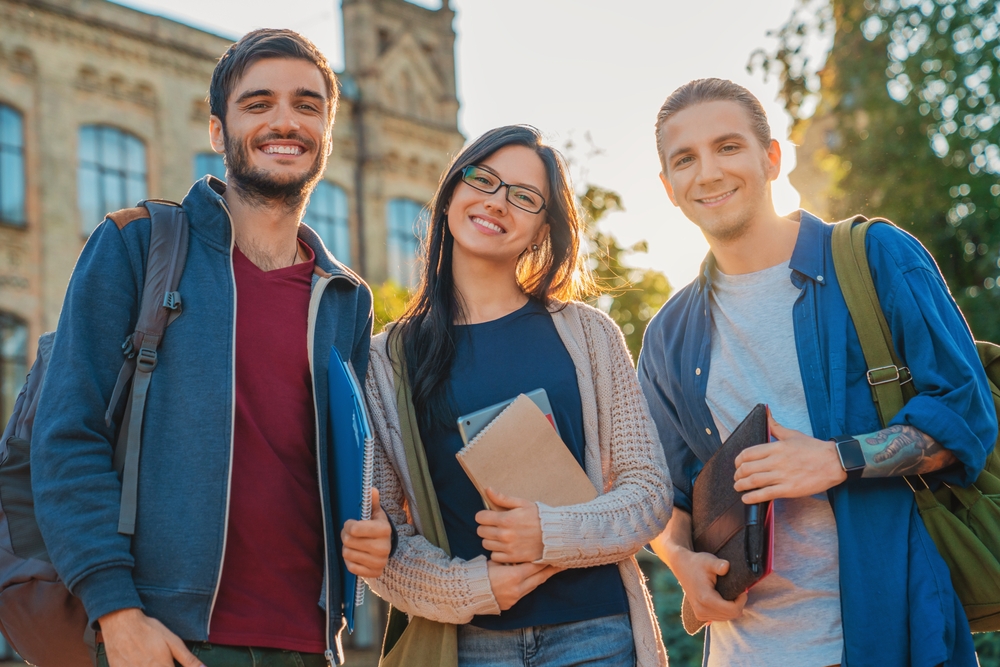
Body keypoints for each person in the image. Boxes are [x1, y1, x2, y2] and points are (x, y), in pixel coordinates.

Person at [31, 29, 393, 667]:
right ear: (218, 132)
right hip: (168, 639)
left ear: (327, 136)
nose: (285, 120)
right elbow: (66, 438)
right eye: (258, 104)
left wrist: (377, 527)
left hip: (310, 645)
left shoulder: (346, 299)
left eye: (307, 105)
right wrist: (116, 612)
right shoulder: (137, 247)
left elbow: (343, 468)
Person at [638, 77, 997, 667]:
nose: (707, 172)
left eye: (727, 147)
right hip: (741, 653)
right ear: (668, 187)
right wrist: (682, 561)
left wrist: (834, 459)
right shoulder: (668, 334)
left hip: (890, 638)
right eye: (685, 159)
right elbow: (666, 496)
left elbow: (966, 417)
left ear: (771, 157)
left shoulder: (877, 257)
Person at [362, 125, 671, 667]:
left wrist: (548, 532)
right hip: (470, 648)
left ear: (542, 230)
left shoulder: (589, 336)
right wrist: (478, 587)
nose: (497, 202)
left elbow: (648, 495)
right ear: (453, 192)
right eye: (484, 179)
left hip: (596, 637)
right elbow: (385, 545)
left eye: (524, 197)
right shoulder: (386, 361)